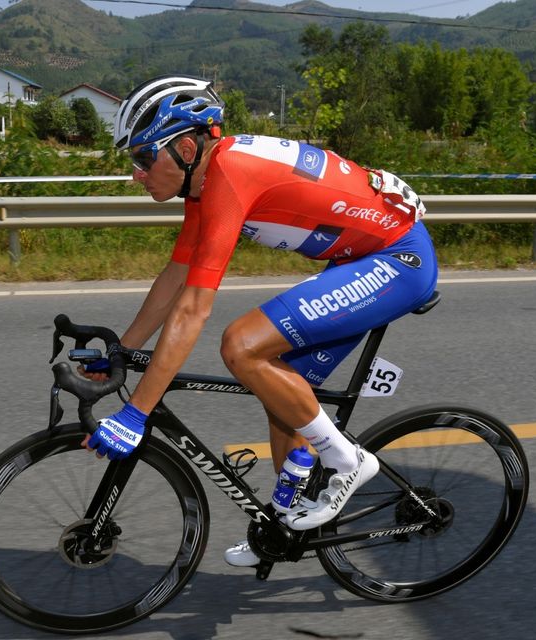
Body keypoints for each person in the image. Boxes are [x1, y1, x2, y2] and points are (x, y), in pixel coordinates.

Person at [81, 75, 438, 567]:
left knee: (242, 345)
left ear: (185, 147)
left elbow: (193, 309)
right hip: (358, 258)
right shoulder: (203, 183)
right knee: (280, 392)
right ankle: (284, 523)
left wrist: (137, 414)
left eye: (143, 158)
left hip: (399, 261)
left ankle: (348, 461)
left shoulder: (229, 173)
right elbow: (175, 279)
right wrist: (122, 349)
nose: (136, 174)